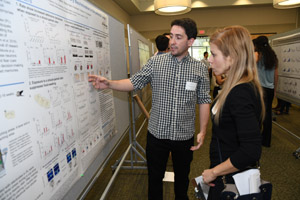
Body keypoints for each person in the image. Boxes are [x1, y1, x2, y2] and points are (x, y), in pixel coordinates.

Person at [89, 18, 211, 200]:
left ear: (191, 41)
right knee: (154, 181)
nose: (172, 41)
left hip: (184, 137)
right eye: (171, 36)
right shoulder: (156, 63)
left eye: (179, 37)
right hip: (157, 135)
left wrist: (202, 130)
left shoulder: (200, 69)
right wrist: (109, 84)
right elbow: (133, 82)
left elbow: (204, 100)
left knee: (181, 182)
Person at [200, 26, 265, 199]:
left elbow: (251, 150)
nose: (210, 60)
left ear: (232, 58)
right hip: (227, 172)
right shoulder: (235, 86)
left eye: (214, 55)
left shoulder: (240, 93)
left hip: (230, 179)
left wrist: (214, 172)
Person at [253, 36, 278, 147]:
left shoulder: (258, 55)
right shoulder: (273, 56)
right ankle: (266, 141)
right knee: (267, 115)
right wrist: (275, 89)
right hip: (270, 89)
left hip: (260, 88)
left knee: (258, 114)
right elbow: (276, 75)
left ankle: (256, 139)